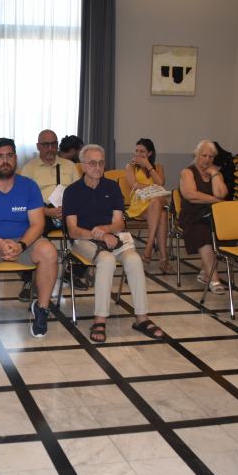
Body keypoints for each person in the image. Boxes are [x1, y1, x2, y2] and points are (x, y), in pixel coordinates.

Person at [65, 144, 164, 342]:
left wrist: (107, 230)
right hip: (83, 240)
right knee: (107, 260)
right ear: (83, 166)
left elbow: (119, 222)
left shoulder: (111, 187)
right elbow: (73, 230)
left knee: (134, 260)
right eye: (92, 163)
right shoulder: (73, 191)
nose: (97, 167)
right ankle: (100, 319)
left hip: (112, 237)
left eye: (101, 163)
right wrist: (101, 235)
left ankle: (142, 318)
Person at [0, 138, 58, 339]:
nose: (5, 160)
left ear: (15, 158)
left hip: (23, 242)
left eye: (9, 155)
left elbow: (38, 224)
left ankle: (41, 309)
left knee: (49, 251)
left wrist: (22, 244)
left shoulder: (29, 186)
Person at [20, 129, 84, 299]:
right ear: (38, 146)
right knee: (30, 233)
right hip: (41, 212)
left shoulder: (69, 166)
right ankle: (28, 280)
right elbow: (24, 201)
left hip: (67, 210)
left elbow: (79, 192)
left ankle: (74, 272)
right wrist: (46, 211)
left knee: (89, 226)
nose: (50, 148)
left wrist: (69, 210)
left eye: (53, 144)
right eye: (45, 144)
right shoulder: (29, 168)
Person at [179, 140, 229, 294]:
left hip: (211, 216)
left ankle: (204, 272)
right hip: (192, 216)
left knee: (222, 233)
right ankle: (214, 280)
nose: (207, 160)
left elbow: (222, 194)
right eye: (204, 155)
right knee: (204, 235)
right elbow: (191, 195)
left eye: (211, 156)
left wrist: (214, 174)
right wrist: (214, 200)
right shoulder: (187, 172)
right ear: (196, 155)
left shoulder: (215, 173)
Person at [124, 138, 172, 273]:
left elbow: (160, 182)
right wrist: (153, 187)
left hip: (155, 201)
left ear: (149, 153)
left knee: (157, 201)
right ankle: (163, 259)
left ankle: (148, 248)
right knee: (162, 214)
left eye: (142, 151)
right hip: (139, 203)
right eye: (136, 150)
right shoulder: (130, 166)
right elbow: (134, 185)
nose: (138, 154)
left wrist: (148, 166)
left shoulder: (158, 167)